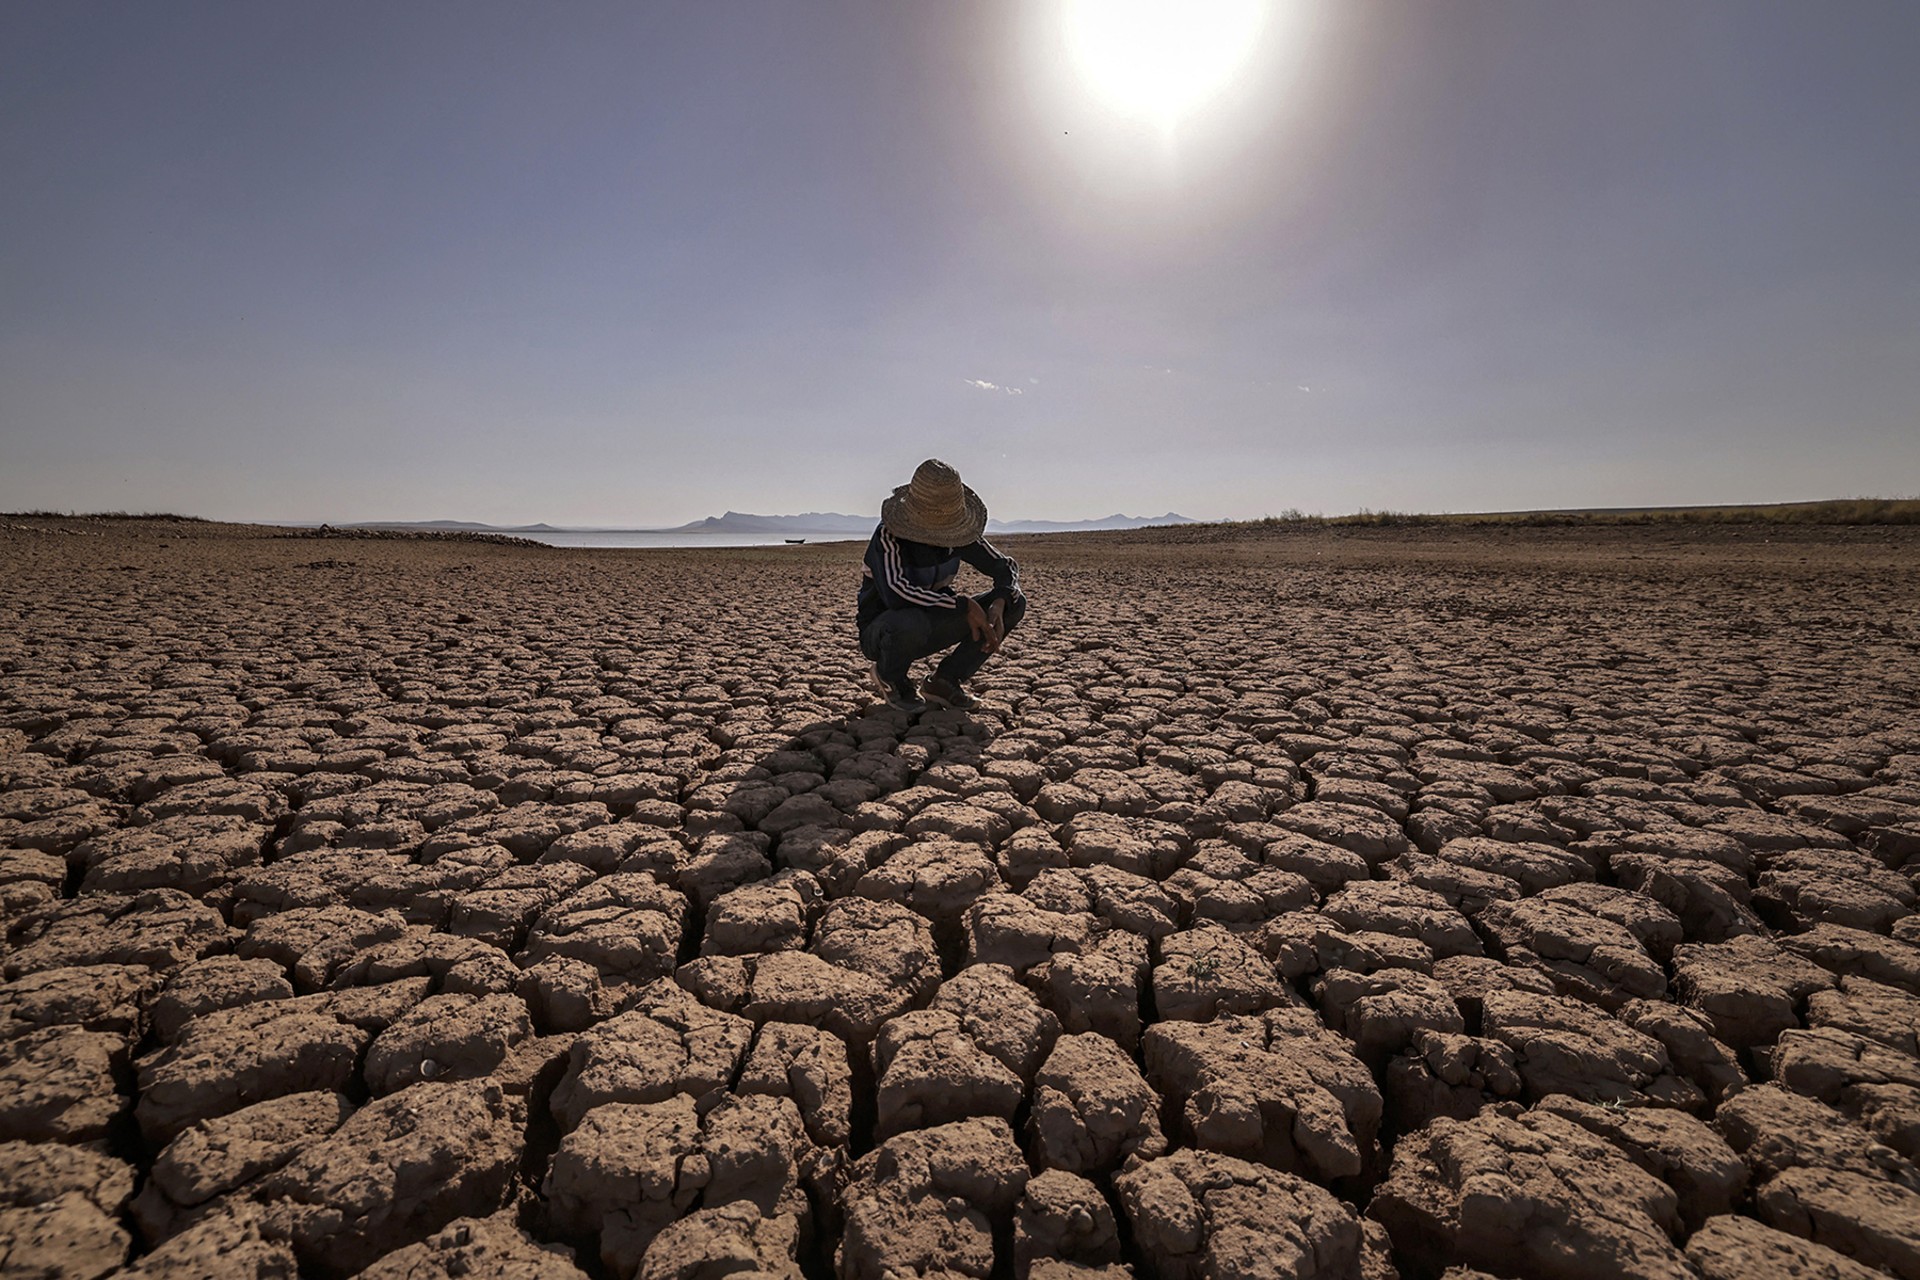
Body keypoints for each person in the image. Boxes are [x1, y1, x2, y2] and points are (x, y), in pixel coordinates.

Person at [857, 459, 1026, 713]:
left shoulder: (958, 535)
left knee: (1015, 602)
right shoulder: (889, 536)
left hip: (932, 621)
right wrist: (963, 605)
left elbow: (1004, 567)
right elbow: (896, 594)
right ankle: (891, 676)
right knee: (909, 621)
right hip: (884, 631)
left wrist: (999, 601)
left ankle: (945, 682)